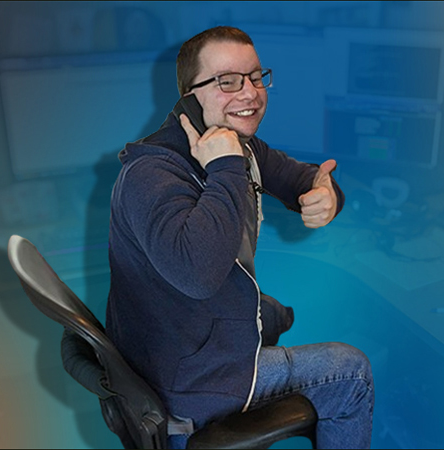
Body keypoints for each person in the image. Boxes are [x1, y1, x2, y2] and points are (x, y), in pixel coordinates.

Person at [106, 26, 374, 449]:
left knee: (273, 312)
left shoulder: (237, 145)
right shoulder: (152, 174)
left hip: (187, 344)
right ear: (189, 94)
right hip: (184, 381)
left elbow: (300, 176)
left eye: (255, 77)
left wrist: (326, 193)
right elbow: (198, 274)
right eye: (227, 81)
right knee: (352, 371)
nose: (250, 93)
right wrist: (227, 166)